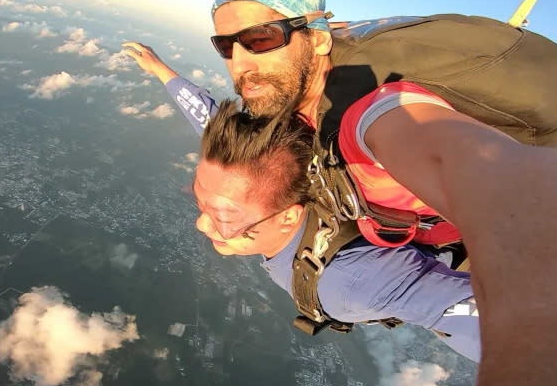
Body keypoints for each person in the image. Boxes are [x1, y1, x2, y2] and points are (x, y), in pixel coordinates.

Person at [130, 0, 557, 386]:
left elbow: (529, 196)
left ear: (319, 38)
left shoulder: (375, 131)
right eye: (225, 46)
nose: (240, 64)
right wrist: (162, 71)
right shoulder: (280, 138)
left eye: (260, 39)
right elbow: (213, 121)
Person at [194, 98, 480, 361]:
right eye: (200, 202)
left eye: (223, 217)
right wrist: (160, 71)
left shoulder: (349, 282)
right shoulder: (260, 175)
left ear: (288, 219)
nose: (202, 223)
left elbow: (495, 324)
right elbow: (202, 115)